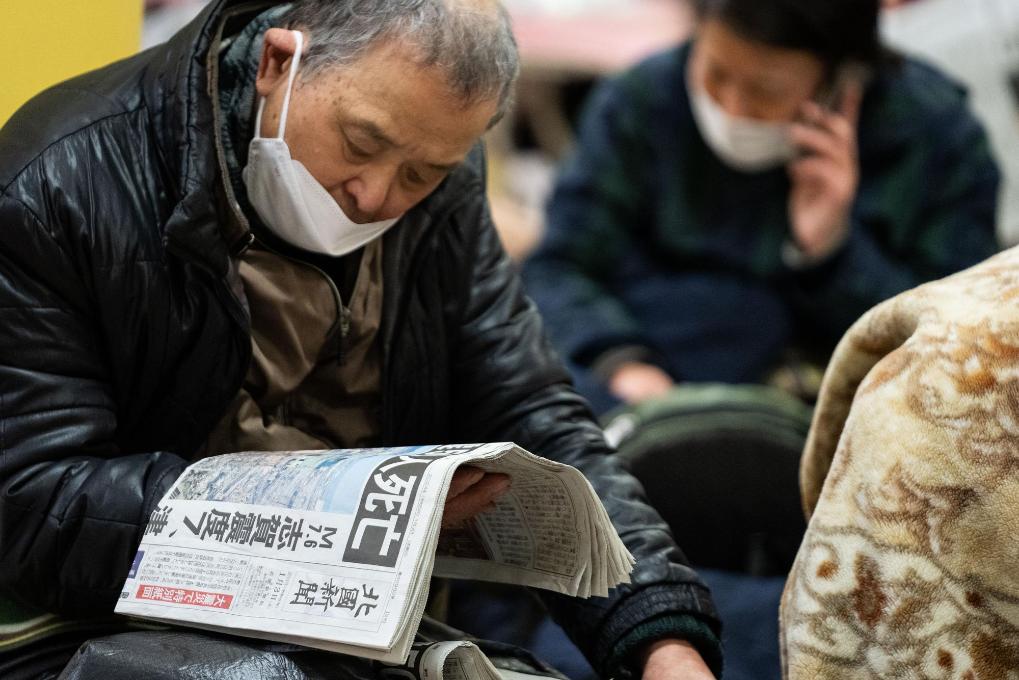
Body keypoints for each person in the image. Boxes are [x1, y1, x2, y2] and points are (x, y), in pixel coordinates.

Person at [0, 1, 722, 678]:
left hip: (361, 624)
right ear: (278, 64)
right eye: (360, 143)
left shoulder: (443, 185)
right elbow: (31, 502)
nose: (375, 196)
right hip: (94, 623)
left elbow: (528, 406)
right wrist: (330, 520)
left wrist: (658, 632)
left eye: (419, 173)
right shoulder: (61, 184)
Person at [523, 0, 1001, 415]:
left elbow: (957, 345)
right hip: (649, 394)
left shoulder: (934, 138)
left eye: (765, 92)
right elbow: (559, 266)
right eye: (714, 75)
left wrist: (831, 251)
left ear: (842, 76)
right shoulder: (640, 102)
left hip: (847, 419)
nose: (732, 108)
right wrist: (622, 362)